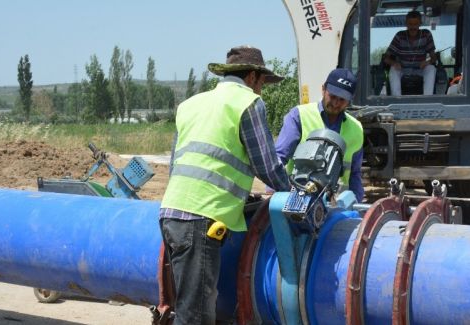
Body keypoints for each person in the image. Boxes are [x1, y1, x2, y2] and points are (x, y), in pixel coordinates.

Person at [158, 45, 290, 324]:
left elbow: (177, 165)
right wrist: (293, 193)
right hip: (202, 220)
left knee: (186, 305)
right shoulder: (247, 103)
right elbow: (266, 164)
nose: (262, 89)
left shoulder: (191, 104)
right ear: (253, 76)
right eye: (263, 83)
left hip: (172, 213)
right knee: (195, 316)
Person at [275, 68, 364, 202]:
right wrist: (275, 194)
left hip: (337, 203)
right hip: (297, 198)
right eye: (332, 96)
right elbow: (279, 158)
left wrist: (356, 204)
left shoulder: (356, 129)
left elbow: (355, 174)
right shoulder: (299, 116)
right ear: (323, 89)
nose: (335, 103)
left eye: (342, 99)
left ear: (350, 100)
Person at [384, 10, 437, 95]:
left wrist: (428, 62)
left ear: (420, 23)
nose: (413, 27)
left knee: (431, 69)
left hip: (420, 69)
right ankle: (397, 100)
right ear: (406, 24)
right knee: (393, 70)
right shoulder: (399, 36)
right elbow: (386, 58)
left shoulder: (426, 34)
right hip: (402, 69)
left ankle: (427, 99)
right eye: (410, 24)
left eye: (415, 24)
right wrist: (394, 63)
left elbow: (434, 57)